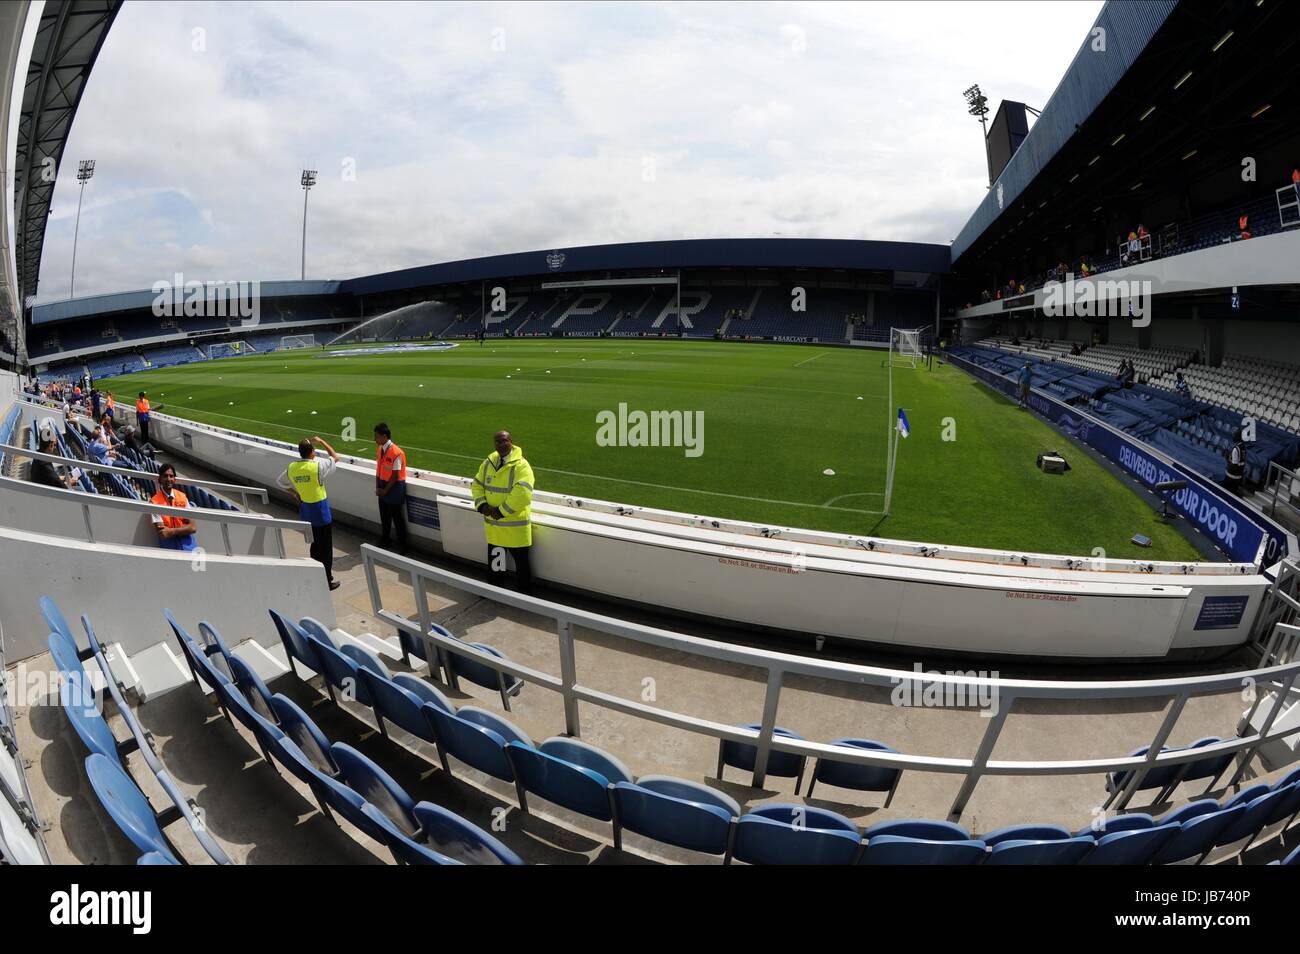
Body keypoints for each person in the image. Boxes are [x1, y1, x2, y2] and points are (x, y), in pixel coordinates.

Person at [472, 430, 535, 593]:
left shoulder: (522, 465)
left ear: (511, 441)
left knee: (522, 566)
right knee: (495, 564)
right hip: (495, 528)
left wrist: (501, 512)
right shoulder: (488, 462)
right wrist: (482, 505)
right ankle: (495, 591)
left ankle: (525, 596)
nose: (500, 444)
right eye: (497, 442)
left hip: (515, 530)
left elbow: (523, 494)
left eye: (504, 441)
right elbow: (477, 484)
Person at [277, 436, 341, 590]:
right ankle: (327, 580)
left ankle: (315, 574)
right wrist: (322, 441)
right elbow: (336, 457)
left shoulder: (292, 468)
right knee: (325, 548)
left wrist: (295, 493)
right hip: (321, 513)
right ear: (312, 452)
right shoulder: (317, 466)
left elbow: (280, 482)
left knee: (314, 546)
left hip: (306, 512)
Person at [373, 422, 408, 552]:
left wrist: (385, 491)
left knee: (397, 518)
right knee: (385, 516)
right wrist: (378, 487)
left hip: (394, 488)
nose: (375, 439)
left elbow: (395, 475)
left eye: (377, 436)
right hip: (383, 486)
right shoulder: (380, 450)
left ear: (384, 436)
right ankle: (385, 539)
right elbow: (379, 468)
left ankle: (403, 545)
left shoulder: (397, 452)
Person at [150, 464, 198, 551]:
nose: (168, 479)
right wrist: (184, 528)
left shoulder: (182, 497)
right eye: (165, 476)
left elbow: (193, 527)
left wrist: (171, 531)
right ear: (160, 479)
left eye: (171, 476)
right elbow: (163, 534)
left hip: (188, 546)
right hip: (169, 547)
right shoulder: (154, 502)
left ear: (174, 479)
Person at [1224, 428, 1246, 497]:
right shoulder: (1243, 447)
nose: (1233, 437)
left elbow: (1234, 466)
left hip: (1232, 478)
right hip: (1239, 477)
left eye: (1234, 436)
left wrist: (1227, 457)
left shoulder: (1236, 449)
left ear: (1237, 437)